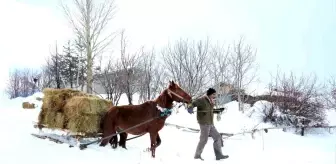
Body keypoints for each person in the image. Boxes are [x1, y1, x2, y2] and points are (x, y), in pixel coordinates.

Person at [187, 88, 229, 161]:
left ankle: (218, 155)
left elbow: (209, 111)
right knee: (204, 140)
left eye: (215, 94)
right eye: (213, 94)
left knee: (218, 137)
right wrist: (190, 107)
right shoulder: (202, 100)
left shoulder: (211, 101)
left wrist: (217, 111)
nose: (214, 96)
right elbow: (192, 103)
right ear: (209, 94)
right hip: (204, 123)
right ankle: (197, 155)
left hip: (210, 123)